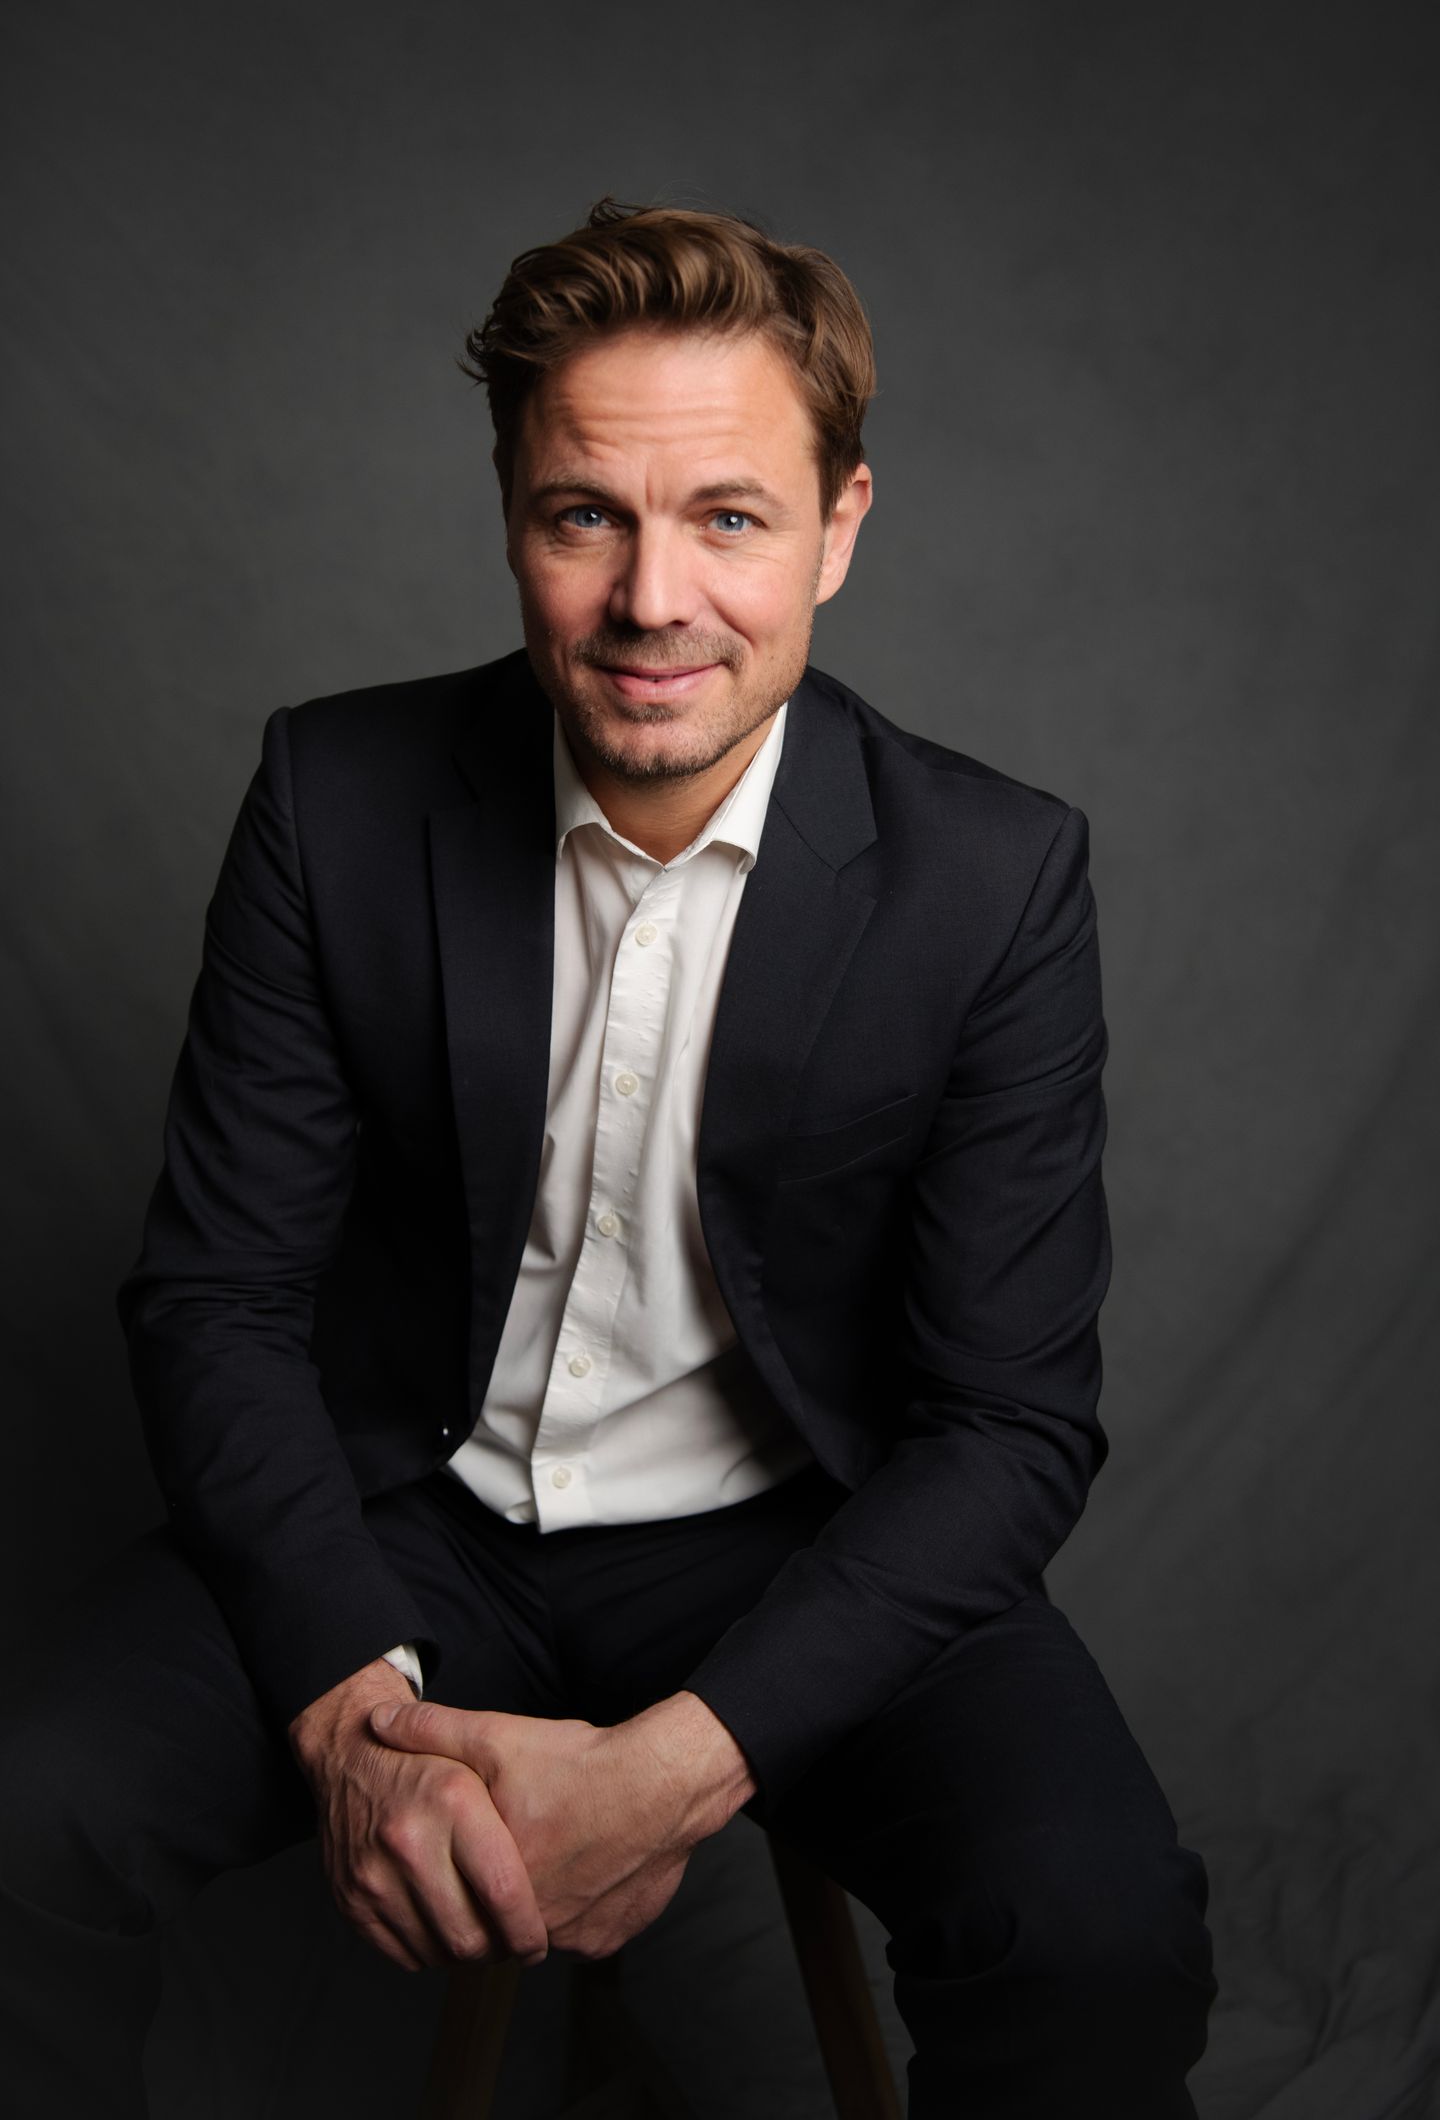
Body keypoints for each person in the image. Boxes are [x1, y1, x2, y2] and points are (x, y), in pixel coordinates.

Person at [0, 198, 1216, 2116]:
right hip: (403, 1515)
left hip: (796, 1540)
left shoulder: (992, 880)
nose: (656, 598)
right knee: (23, 1829)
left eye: (730, 517)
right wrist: (354, 1721)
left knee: (1100, 1932)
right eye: (587, 515)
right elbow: (217, 1299)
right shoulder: (335, 797)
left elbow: (1008, 1428)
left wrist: (676, 1769)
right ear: (511, 515)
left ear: (839, 528)